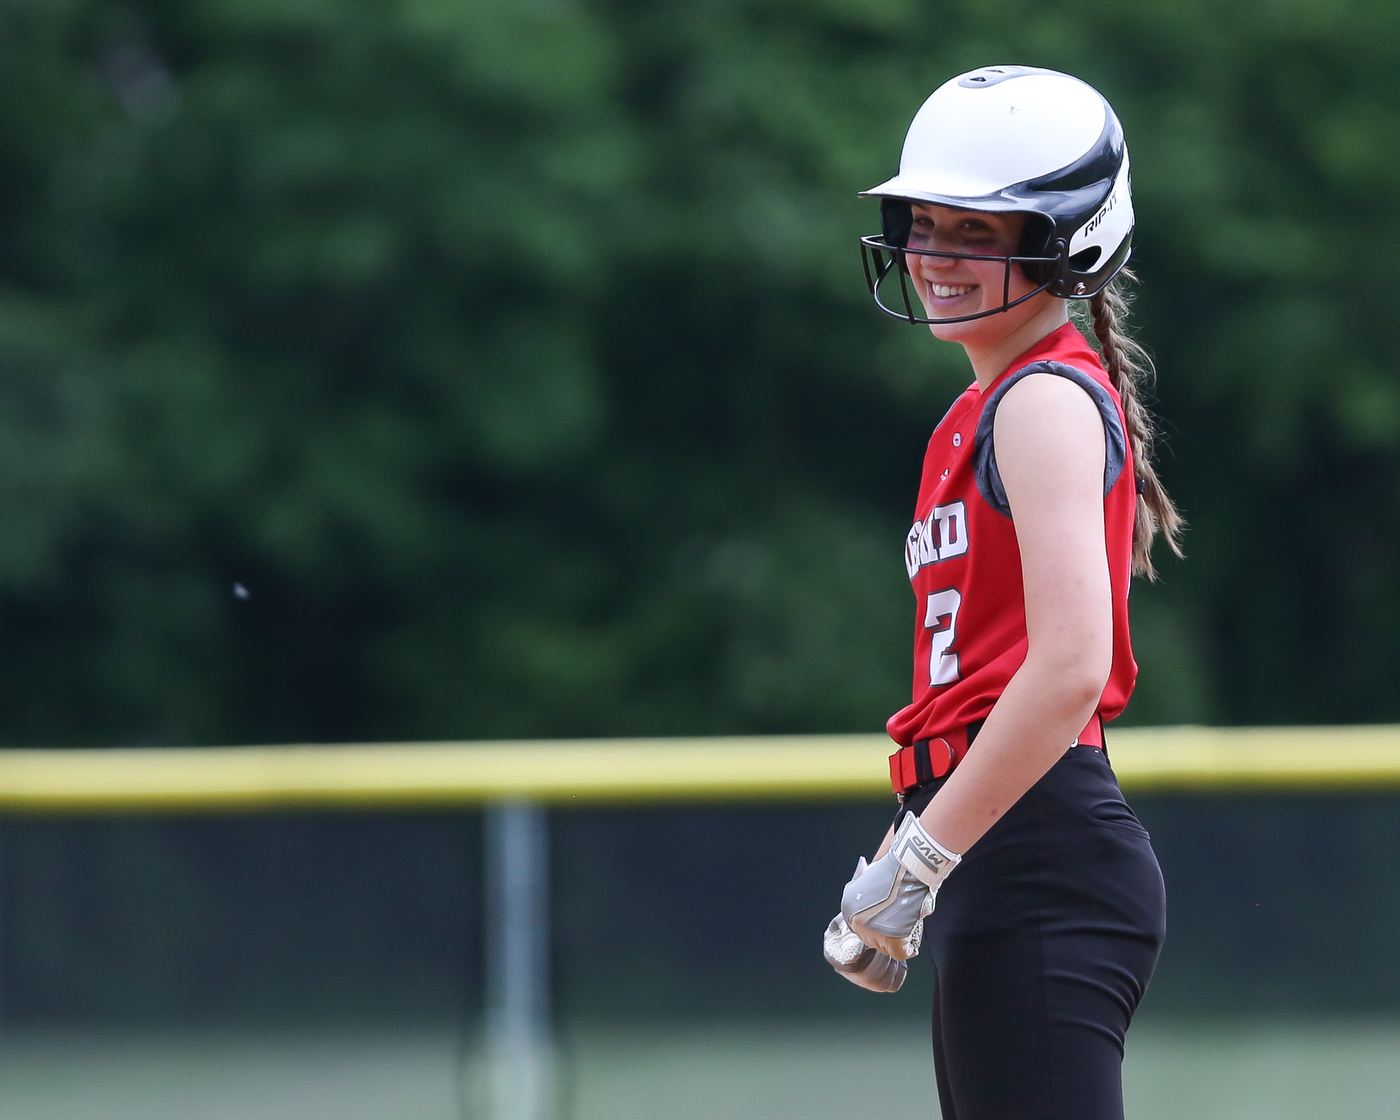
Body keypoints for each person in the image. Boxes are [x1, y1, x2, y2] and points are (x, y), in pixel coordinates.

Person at [822, 66, 1181, 1120]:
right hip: (1002, 845)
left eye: (975, 233)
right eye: (922, 225)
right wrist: (907, 847)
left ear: (1067, 241)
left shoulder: (1036, 401)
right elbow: (977, 680)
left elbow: (1069, 665)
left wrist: (923, 859)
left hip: (1035, 851)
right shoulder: (979, 410)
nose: (933, 256)